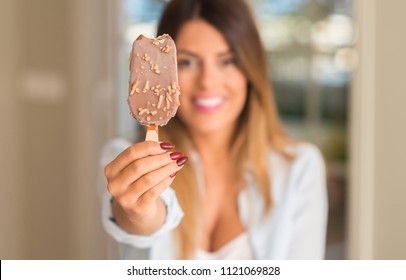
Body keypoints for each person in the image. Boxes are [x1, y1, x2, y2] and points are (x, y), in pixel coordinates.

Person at [99, 0, 328, 260]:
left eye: (227, 61)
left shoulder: (299, 167)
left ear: (251, 69)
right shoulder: (128, 160)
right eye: (186, 63)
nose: (207, 81)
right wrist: (138, 211)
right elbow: (139, 224)